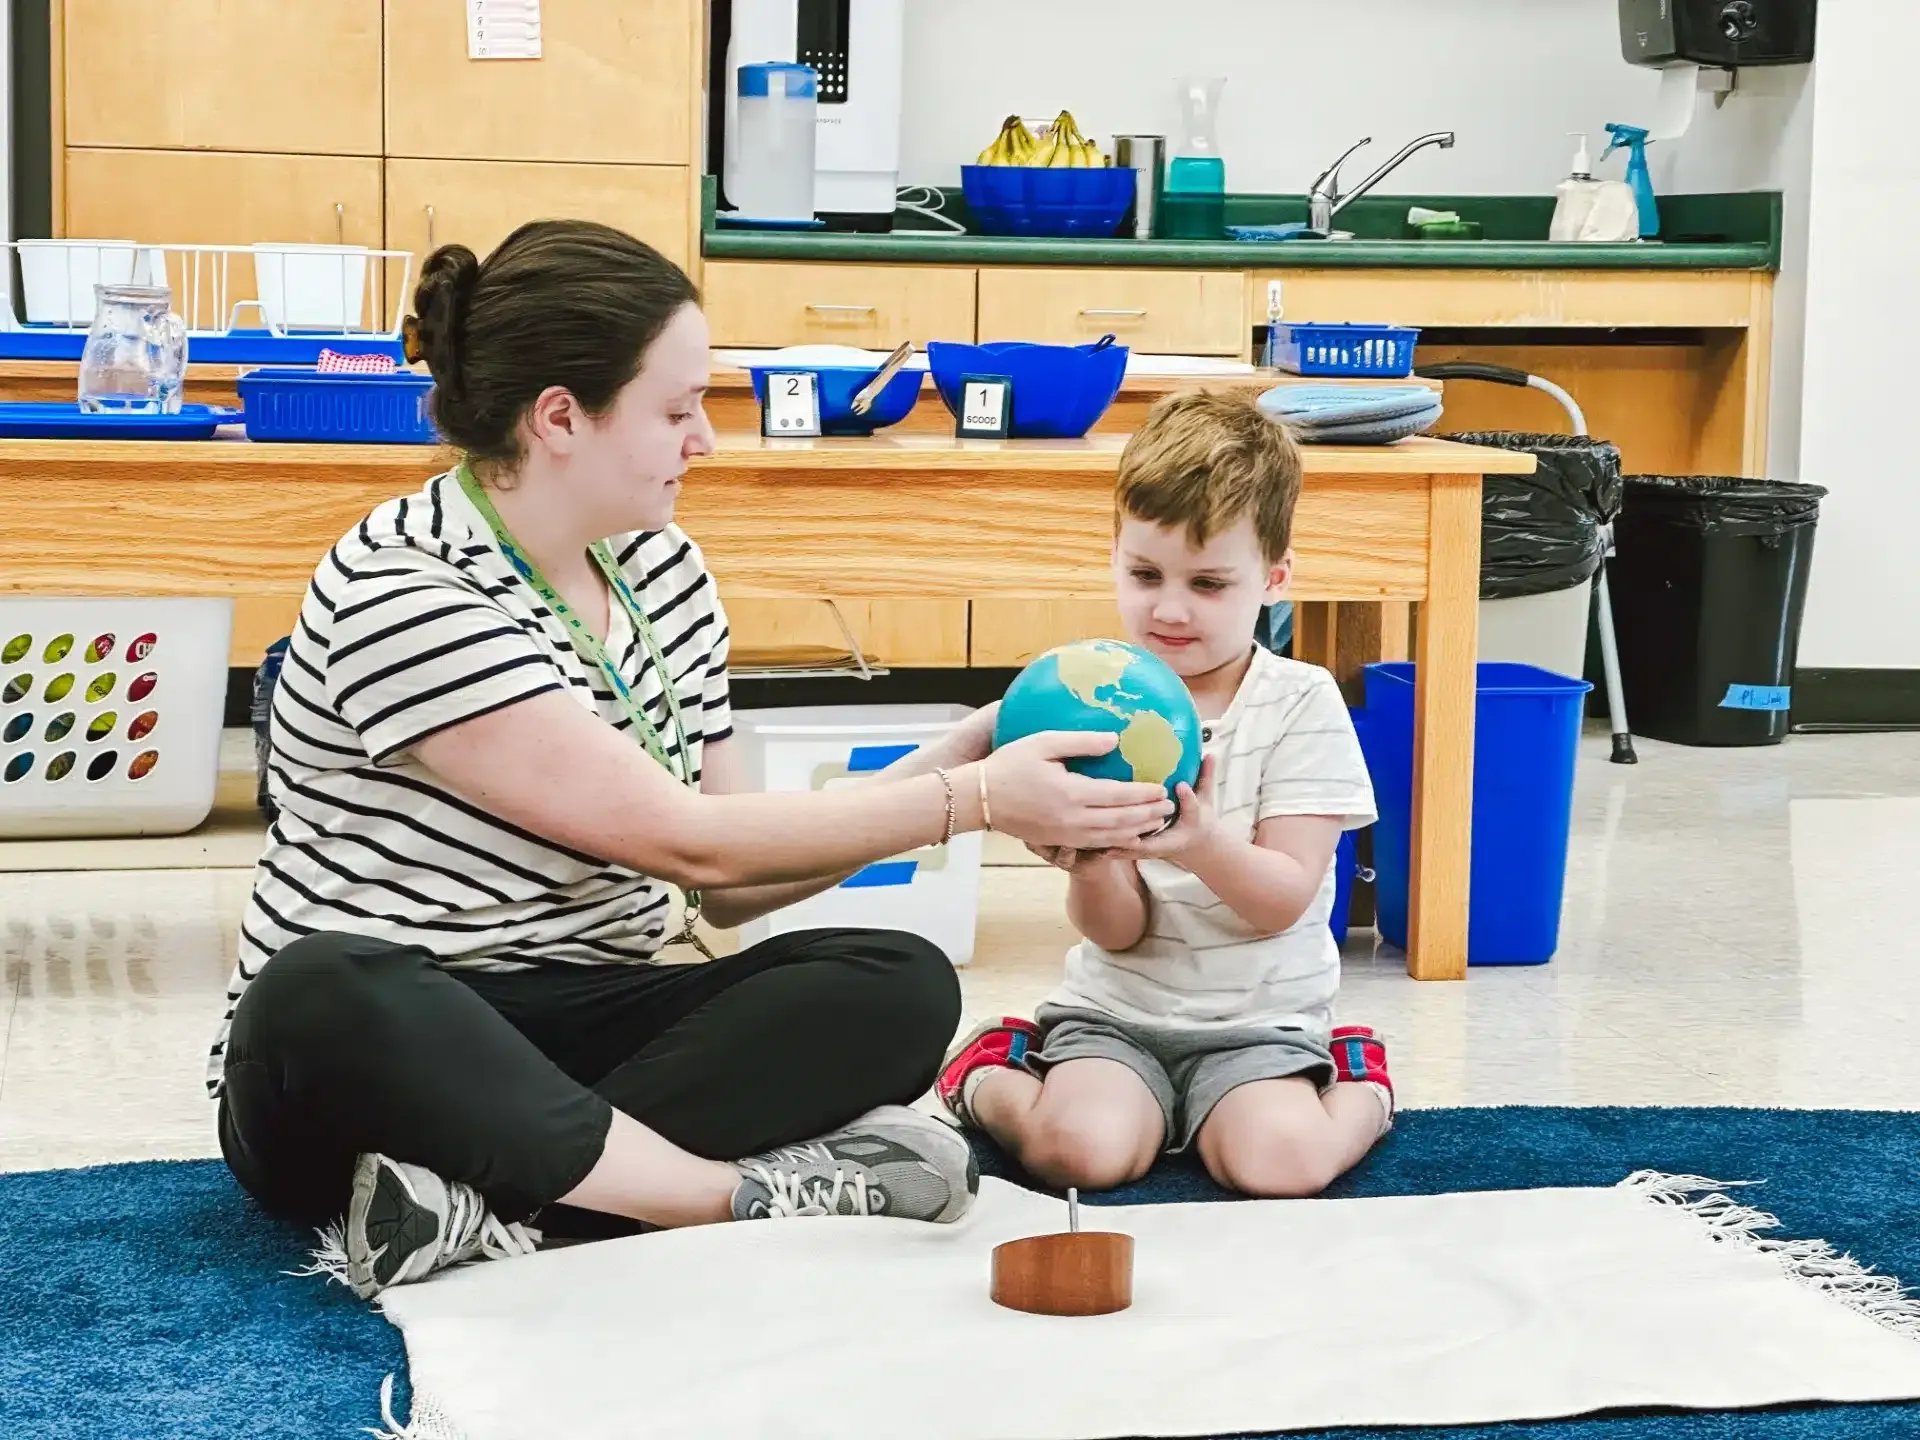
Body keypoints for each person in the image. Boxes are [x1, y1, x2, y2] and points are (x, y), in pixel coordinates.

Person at [211, 219, 1176, 1301]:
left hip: (585, 1014)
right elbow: (689, 845)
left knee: (894, 982)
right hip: (385, 1046)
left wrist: (962, 748)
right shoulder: (404, 591)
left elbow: (736, 888)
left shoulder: (663, 571)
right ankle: (732, 1197)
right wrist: (978, 799)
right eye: (676, 411)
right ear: (561, 418)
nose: (704, 440)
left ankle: (483, 1205)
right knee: (323, 990)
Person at [935, 392, 1393, 1198]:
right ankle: (988, 1069)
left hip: (1262, 1024)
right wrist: (1087, 865)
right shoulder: (1088, 704)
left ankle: (1362, 1077)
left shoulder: (1301, 701)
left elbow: (1285, 900)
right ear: (1113, 554)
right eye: (1144, 574)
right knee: (1082, 1156)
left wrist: (1200, 844)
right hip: (1118, 1016)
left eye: (1210, 583)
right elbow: (1116, 931)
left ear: (1275, 578)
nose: (1169, 608)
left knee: (1278, 1165)